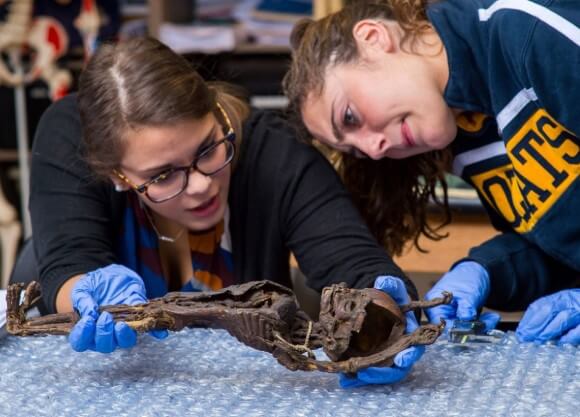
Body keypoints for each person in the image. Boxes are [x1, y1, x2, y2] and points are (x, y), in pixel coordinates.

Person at [20, 36, 424, 387]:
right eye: (162, 176)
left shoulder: (277, 154)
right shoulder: (69, 137)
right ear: (118, 175)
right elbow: (69, 261)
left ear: (215, 111)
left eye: (208, 148)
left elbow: (351, 260)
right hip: (114, 379)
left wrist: (383, 308)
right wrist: (83, 296)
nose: (200, 185)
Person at [283, 0, 580, 345]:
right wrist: (485, 270)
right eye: (353, 149)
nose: (373, 150)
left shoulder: (523, 31)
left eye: (349, 116)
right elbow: (564, 243)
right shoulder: (463, 134)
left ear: (373, 38)